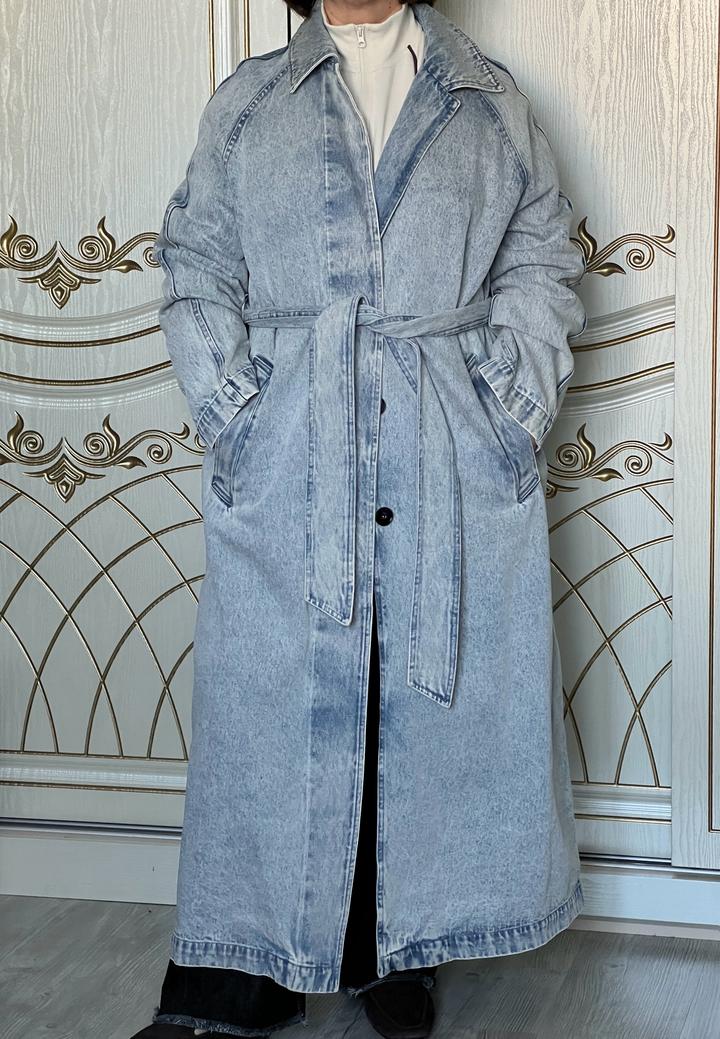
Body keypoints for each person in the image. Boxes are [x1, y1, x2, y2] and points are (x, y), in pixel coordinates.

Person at [133, 1, 587, 1036]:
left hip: (448, 449)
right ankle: (239, 971)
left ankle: (399, 950)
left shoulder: (487, 101)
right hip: (294, 448)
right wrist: (237, 412)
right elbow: (195, 261)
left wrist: (512, 405)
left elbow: (542, 258)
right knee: (278, 698)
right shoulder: (253, 101)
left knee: (416, 698)